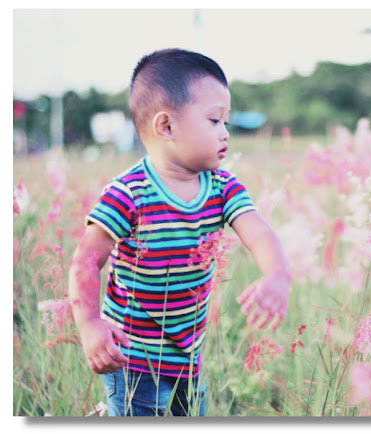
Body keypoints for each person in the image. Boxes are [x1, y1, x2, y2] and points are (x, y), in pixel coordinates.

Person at [68, 48, 291, 416]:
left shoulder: (222, 186)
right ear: (166, 126)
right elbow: (86, 262)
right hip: (133, 357)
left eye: (226, 123)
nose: (225, 134)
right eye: (214, 121)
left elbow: (258, 231)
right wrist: (91, 324)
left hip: (189, 352)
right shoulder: (129, 193)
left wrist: (278, 275)